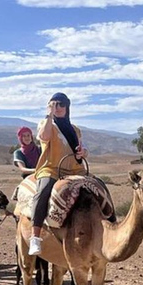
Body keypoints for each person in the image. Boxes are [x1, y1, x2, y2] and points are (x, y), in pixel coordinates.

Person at [28, 92, 88, 255]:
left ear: (67, 107)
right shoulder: (46, 124)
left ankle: (109, 225)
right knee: (43, 191)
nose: (58, 107)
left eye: (61, 104)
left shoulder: (75, 129)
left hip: (75, 169)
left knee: (98, 187)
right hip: (52, 168)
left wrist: (83, 153)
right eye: (54, 104)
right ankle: (35, 237)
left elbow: (81, 150)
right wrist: (49, 115)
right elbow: (44, 137)